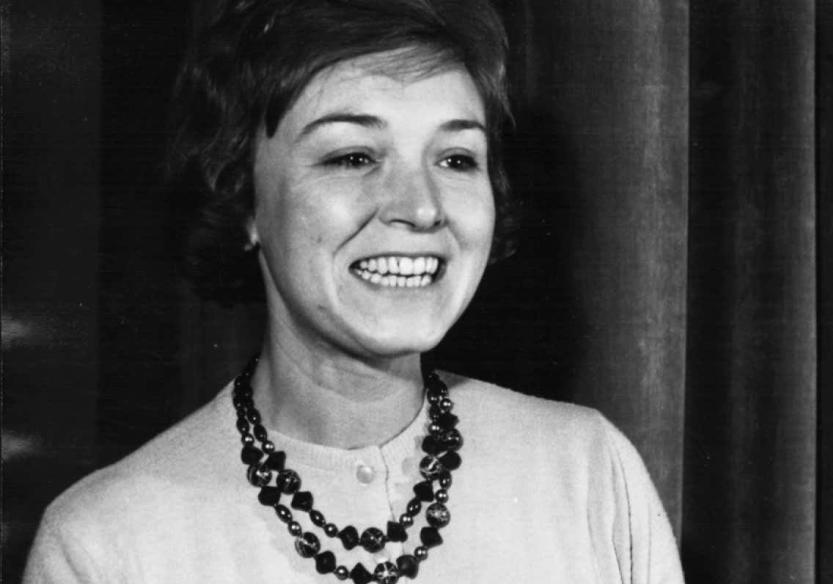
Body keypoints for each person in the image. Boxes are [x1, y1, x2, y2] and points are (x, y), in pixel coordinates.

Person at [23, 0, 683, 582]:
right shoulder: (106, 545)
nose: (421, 207)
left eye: (456, 159)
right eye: (353, 157)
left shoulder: (590, 472)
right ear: (243, 199)